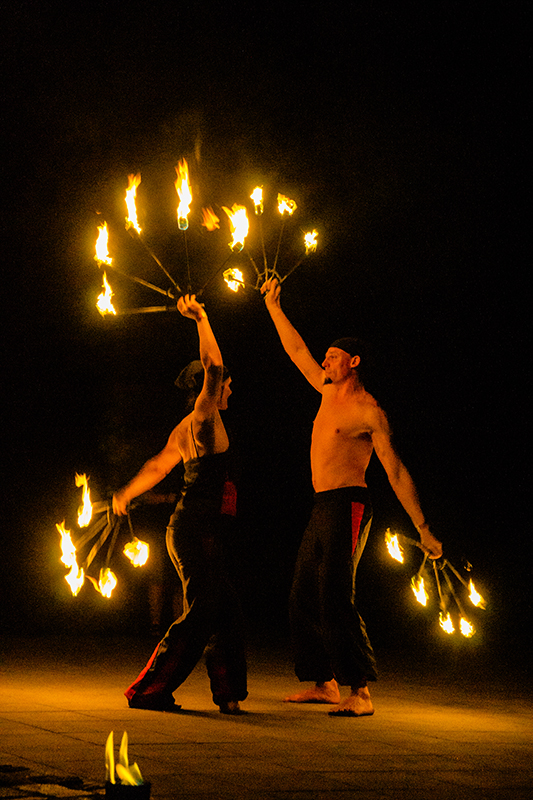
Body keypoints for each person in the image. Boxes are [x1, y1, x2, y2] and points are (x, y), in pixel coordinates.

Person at [261, 277, 442, 717]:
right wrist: (273, 306)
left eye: (334, 356)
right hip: (322, 504)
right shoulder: (325, 391)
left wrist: (423, 528)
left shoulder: (369, 412)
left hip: (350, 504)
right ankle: (323, 682)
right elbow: (296, 351)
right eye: (326, 356)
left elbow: (395, 470)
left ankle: (359, 690)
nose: (324, 360)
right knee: (301, 592)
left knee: (335, 592)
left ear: (353, 362)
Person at [113, 294, 247, 715]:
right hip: (195, 529)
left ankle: (227, 693)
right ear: (205, 389)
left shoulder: (184, 429)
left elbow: (156, 467)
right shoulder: (204, 416)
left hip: (197, 529)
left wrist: (125, 494)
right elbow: (215, 366)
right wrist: (202, 318)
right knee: (204, 609)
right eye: (224, 384)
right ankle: (150, 688)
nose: (229, 386)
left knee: (225, 609)